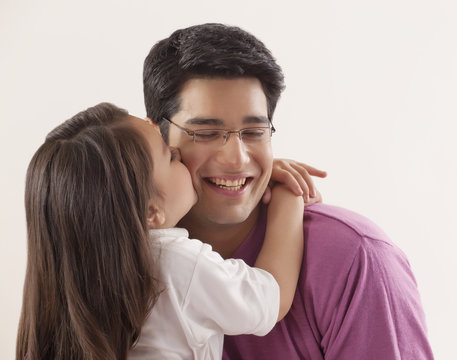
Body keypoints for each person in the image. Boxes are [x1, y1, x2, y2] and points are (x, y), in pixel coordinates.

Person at [143, 23, 435, 359]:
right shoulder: (111, 251)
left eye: (253, 132)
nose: (237, 159)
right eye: (206, 133)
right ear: (154, 137)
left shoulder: (355, 258)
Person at [16, 102, 310, 359]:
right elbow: (271, 299)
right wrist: (289, 198)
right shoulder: (176, 261)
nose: (181, 155)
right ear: (150, 212)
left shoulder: (71, 280)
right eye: (170, 156)